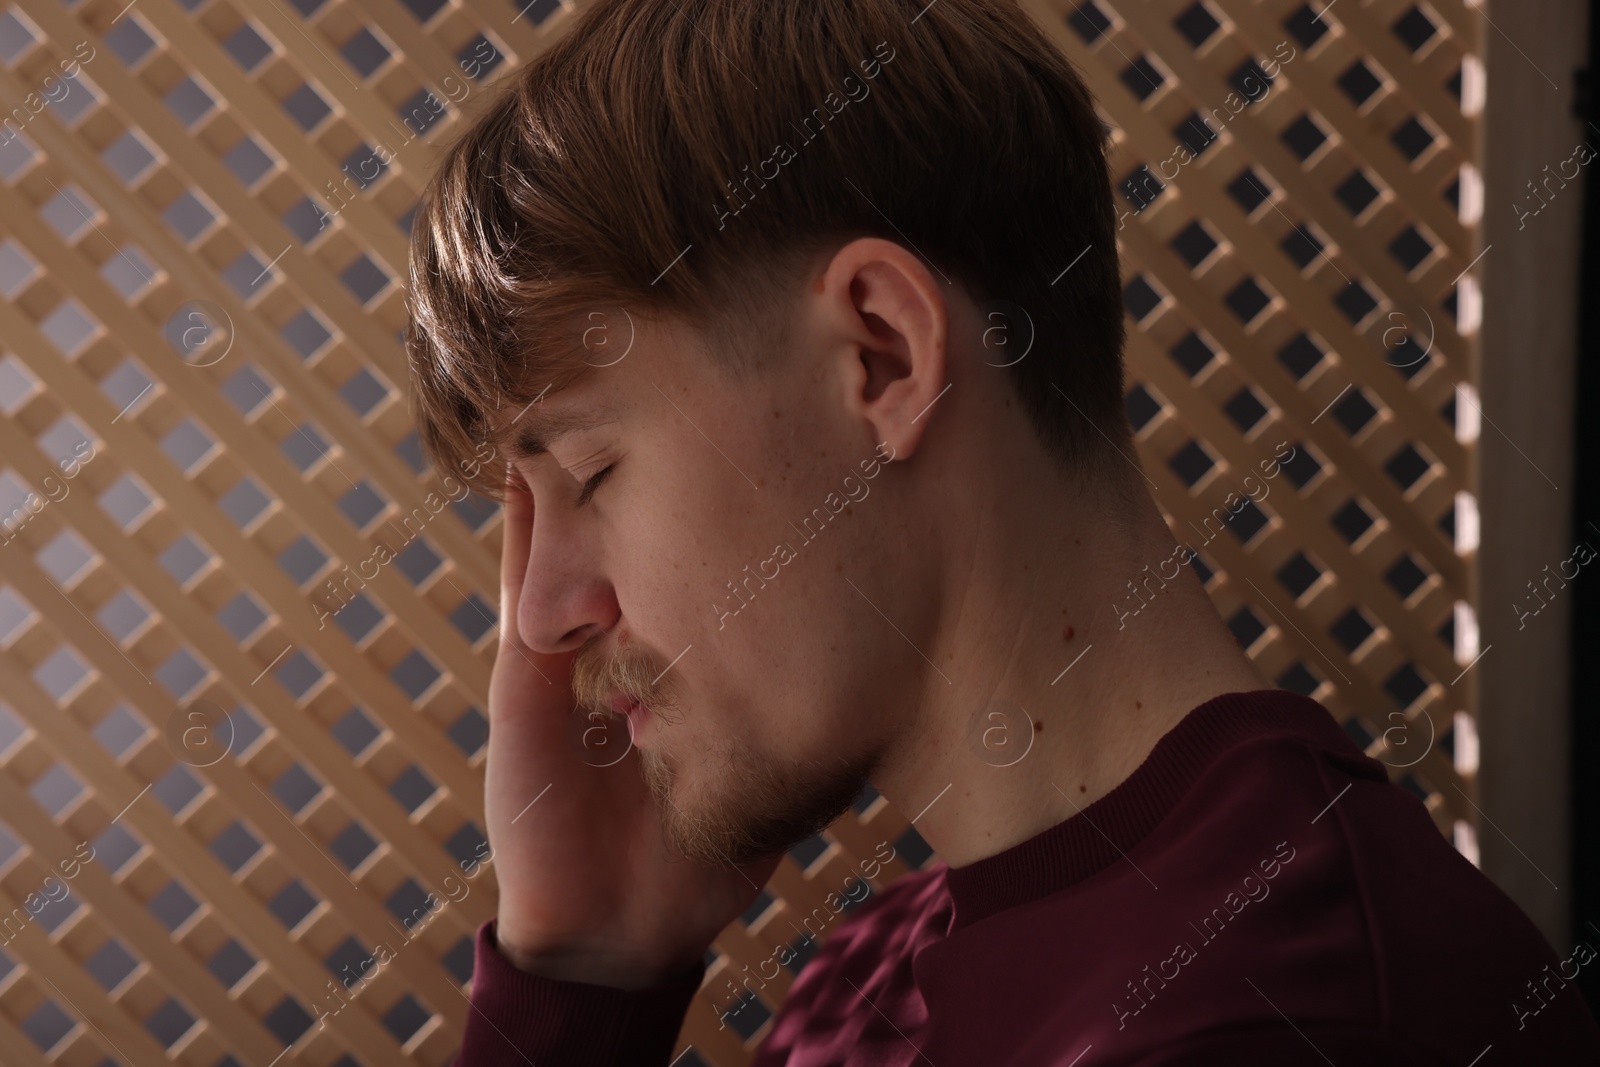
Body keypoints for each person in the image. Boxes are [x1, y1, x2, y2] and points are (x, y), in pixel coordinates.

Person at [401, 0, 1600, 1062]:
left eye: (591, 469)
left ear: (882, 354)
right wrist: (585, 977)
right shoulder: (873, 970)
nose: (545, 610)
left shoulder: (1284, 1013)